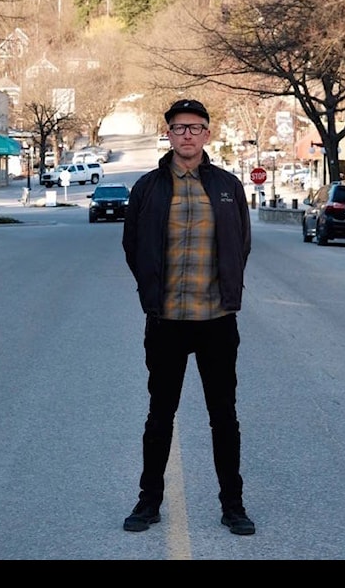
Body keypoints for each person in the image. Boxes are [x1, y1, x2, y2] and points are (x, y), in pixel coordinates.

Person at [121, 99, 255, 536]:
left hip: (217, 321)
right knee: (160, 414)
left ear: (207, 134)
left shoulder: (228, 186)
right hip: (167, 322)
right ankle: (148, 502)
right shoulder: (148, 188)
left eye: (195, 128)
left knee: (224, 416)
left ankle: (233, 505)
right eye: (179, 128)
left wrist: (229, 291)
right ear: (169, 134)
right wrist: (150, 292)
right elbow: (132, 245)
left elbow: (242, 244)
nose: (187, 136)